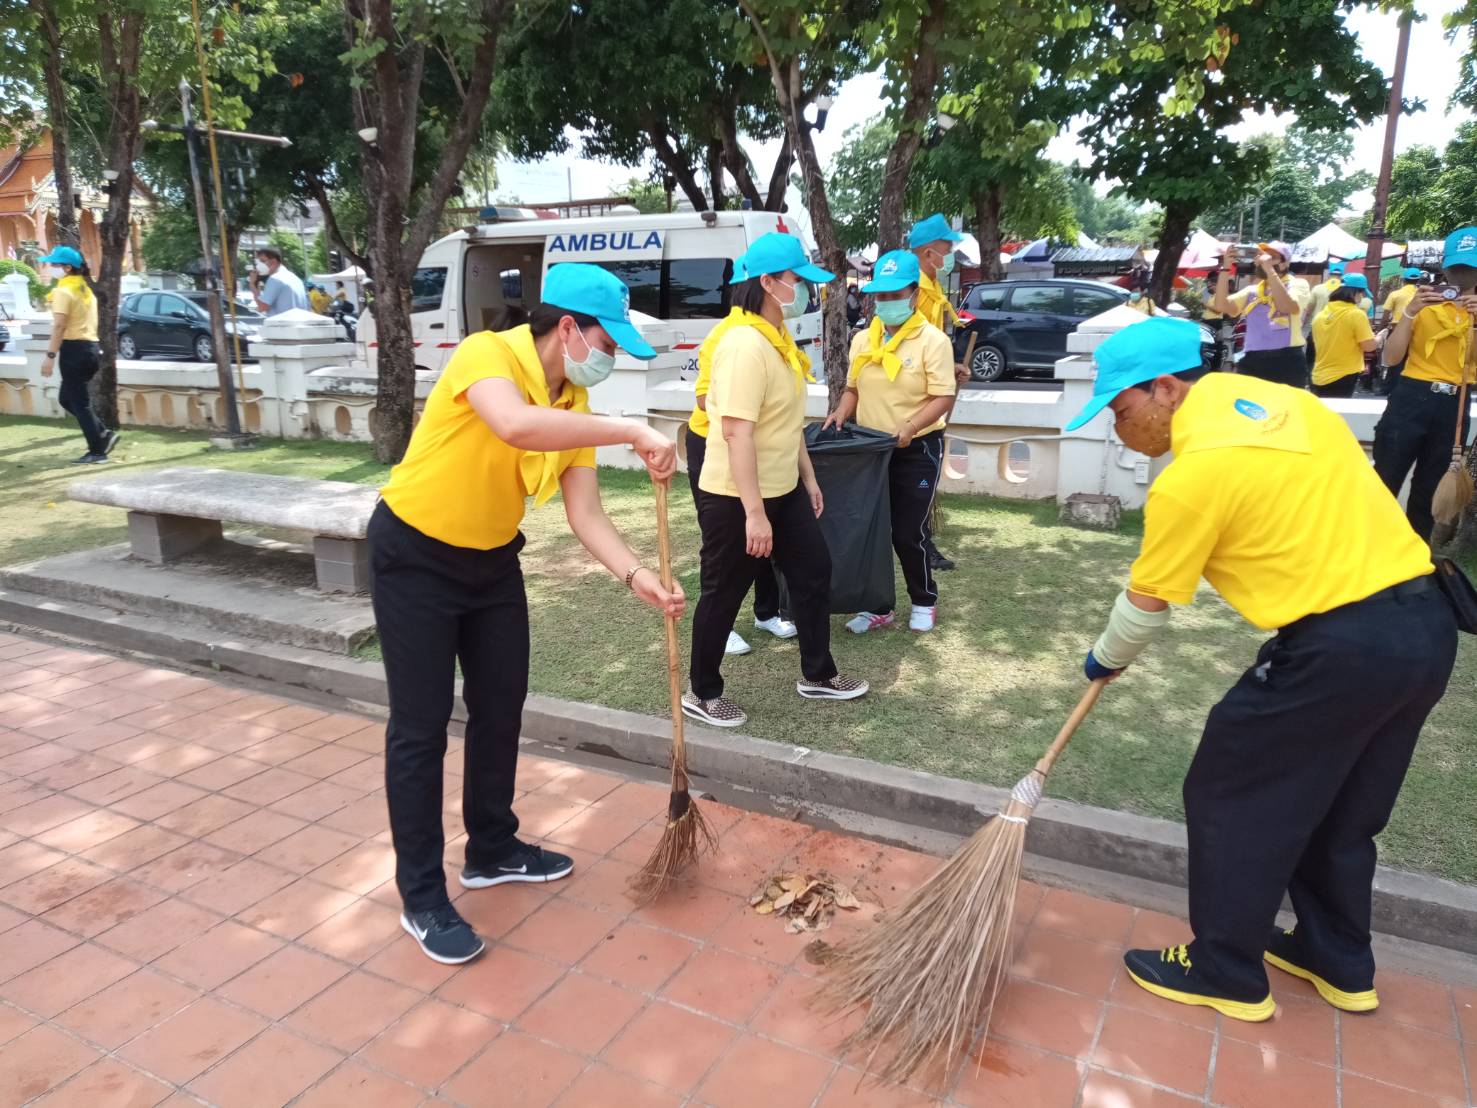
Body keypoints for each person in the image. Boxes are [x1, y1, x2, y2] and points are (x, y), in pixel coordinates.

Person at [1069, 315, 1456, 1023]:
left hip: (1340, 646)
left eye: (1120, 411)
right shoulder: (1298, 407)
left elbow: (1144, 606)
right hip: (1425, 629)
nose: (1119, 430)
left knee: (1229, 788)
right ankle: (1336, 957)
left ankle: (1222, 968)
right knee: (1343, 805)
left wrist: (1103, 659)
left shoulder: (1193, 477)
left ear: (1164, 389)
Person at [370, 263, 684, 964]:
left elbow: (585, 514)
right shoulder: (487, 353)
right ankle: (422, 896)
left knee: (500, 707)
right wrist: (630, 429)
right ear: (567, 327)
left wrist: (637, 576)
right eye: (608, 342)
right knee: (420, 730)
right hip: (414, 556)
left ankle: (490, 846)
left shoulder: (572, 403)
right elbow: (512, 424)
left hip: (489, 563)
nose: (610, 359)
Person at [684, 232, 868, 729]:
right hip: (737, 497)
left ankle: (817, 673)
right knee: (725, 592)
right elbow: (737, 433)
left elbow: (785, 425)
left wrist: (807, 480)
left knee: (813, 571)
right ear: (766, 283)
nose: (806, 290)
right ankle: (702, 690)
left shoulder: (776, 338)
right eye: (797, 281)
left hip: (782, 487)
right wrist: (754, 514)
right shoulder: (744, 345)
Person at [823, 250, 956, 633]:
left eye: (895, 294)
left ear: (914, 294)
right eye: (880, 295)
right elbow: (852, 390)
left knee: (906, 530)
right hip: (870, 450)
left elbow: (943, 397)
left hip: (917, 448)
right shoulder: (864, 339)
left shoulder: (933, 342)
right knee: (869, 529)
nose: (886, 302)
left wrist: (911, 426)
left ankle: (923, 598)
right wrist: (840, 413)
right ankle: (878, 605)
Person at [686, 304, 797, 658]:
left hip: (759, 451)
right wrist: (748, 406)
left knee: (765, 539)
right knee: (725, 545)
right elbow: (705, 399)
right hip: (717, 443)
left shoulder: (776, 333)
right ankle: (724, 625)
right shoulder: (730, 337)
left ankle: (765, 612)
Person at [1373, 225, 1477, 542]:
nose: (1462, 275)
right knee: (1384, 479)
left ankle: (1415, 559)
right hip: (1411, 397)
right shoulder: (1421, 303)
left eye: (1470, 267)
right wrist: (1409, 314)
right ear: (1444, 267)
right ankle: (1365, 552)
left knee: (1429, 488)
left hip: (1454, 404)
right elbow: (1390, 359)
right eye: (1457, 266)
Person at [908, 212, 970, 572]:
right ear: (929, 253)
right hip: (918, 399)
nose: (950, 255)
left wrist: (951, 368)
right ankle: (920, 545)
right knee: (919, 475)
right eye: (947, 248)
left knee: (925, 474)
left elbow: (933, 346)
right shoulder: (915, 288)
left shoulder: (932, 286)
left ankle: (920, 539)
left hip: (932, 392)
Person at [38, 245, 117, 464]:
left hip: (74, 350)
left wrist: (50, 357)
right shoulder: (84, 288)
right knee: (67, 399)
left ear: (67, 267)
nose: (50, 267)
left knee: (79, 403)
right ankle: (103, 435)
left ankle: (98, 451)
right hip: (91, 349)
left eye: (54, 264)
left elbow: (59, 326)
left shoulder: (64, 291)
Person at [1211, 241, 1311, 387]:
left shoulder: (1297, 284)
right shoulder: (1253, 291)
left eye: (1272, 257)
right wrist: (1225, 268)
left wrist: (1270, 270)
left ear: (1285, 264)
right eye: (1262, 256)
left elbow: (1286, 306)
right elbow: (1220, 305)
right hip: (1253, 360)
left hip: (1287, 360)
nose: (1264, 260)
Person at [1309, 274, 1376, 399]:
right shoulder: (1356, 314)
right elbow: (1368, 346)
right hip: (1344, 375)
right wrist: (1380, 338)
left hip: (1318, 375)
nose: (1362, 297)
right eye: (1361, 293)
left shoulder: (1321, 315)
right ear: (1355, 292)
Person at [250, 247, 308, 316]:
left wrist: (252, 284)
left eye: (262, 261)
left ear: (274, 261)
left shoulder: (275, 279)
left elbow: (262, 307)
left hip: (282, 324)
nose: (258, 266)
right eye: (258, 262)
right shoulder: (295, 278)